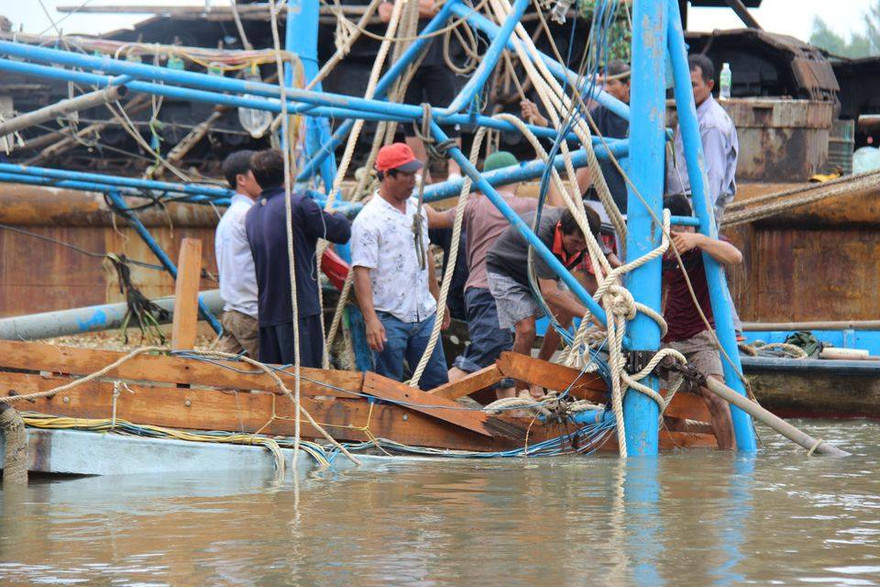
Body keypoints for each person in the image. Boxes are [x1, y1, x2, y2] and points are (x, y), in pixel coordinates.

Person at [427, 151, 540, 399]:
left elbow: (433, 219)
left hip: (478, 291)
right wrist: (548, 173)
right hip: (493, 294)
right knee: (482, 357)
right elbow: (564, 212)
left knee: (501, 359)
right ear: (519, 178)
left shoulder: (473, 206)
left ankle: (511, 417)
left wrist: (417, 200)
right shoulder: (527, 207)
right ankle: (423, 402)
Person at [351, 142, 450, 390]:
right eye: (405, 175)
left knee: (438, 385)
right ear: (387, 176)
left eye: (413, 174)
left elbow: (425, 254)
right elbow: (361, 271)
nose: (412, 180)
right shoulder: (369, 219)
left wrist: (438, 299)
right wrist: (371, 319)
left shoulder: (417, 211)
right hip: (389, 317)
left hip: (424, 313)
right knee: (388, 389)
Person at [245, 149, 352, 367]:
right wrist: (336, 214)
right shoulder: (297, 204)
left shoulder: (252, 214)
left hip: (268, 313)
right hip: (298, 311)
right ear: (288, 174)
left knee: (278, 383)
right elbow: (341, 232)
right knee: (306, 380)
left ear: (256, 178)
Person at [485, 207, 603, 398]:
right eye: (575, 242)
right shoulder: (543, 233)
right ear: (560, 229)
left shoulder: (587, 234)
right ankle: (522, 391)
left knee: (565, 311)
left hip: (540, 274)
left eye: (584, 244)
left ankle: (539, 373)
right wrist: (593, 316)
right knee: (526, 329)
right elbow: (549, 292)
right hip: (508, 271)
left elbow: (606, 257)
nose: (579, 248)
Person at [661, 194, 739, 450]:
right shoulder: (661, 250)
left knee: (716, 397)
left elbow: (735, 257)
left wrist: (698, 239)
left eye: (678, 229)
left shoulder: (704, 245)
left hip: (701, 337)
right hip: (669, 340)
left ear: (687, 225)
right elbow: (659, 293)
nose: (674, 234)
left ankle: (729, 462)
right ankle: (678, 473)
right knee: (670, 409)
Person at [378, 0, 461, 181]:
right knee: (409, 120)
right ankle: (420, 172)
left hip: (439, 59)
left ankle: (455, 171)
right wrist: (421, 8)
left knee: (449, 115)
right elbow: (385, 13)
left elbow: (441, 9)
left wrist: (405, 8)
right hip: (404, 61)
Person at [666, 54, 739, 229]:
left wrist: (699, 221)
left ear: (710, 85)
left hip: (696, 210)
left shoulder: (711, 123)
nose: (687, 91)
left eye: (693, 85)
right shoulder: (692, 114)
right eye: (682, 85)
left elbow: (713, 177)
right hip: (683, 206)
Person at [215, 150, 261, 359]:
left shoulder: (230, 216)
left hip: (234, 311)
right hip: (252, 314)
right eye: (257, 172)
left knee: (227, 380)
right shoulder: (249, 215)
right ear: (241, 180)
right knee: (274, 380)